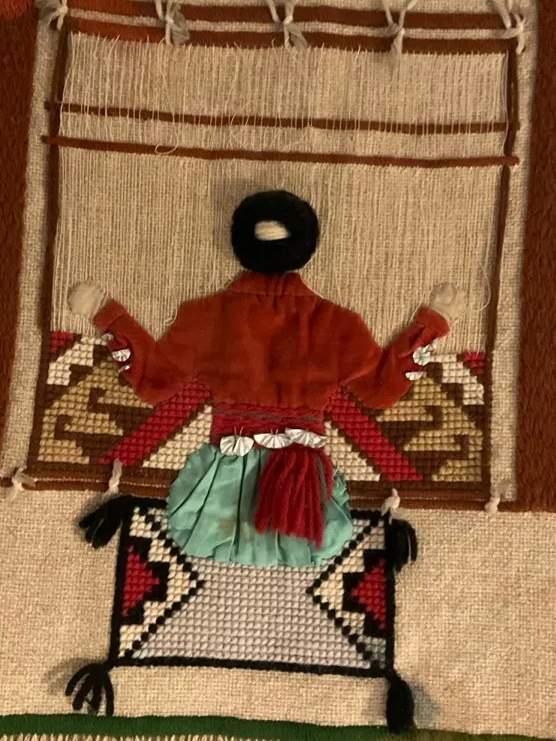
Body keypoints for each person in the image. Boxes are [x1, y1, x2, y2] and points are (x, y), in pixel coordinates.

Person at [69, 190, 463, 569]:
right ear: (307, 245)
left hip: (224, 471)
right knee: (315, 532)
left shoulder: (206, 316)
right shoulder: (338, 324)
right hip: (304, 481)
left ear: (241, 242)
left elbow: (154, 381)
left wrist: (109, 315)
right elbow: (382, 390)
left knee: (205, 523)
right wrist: (430, 325)